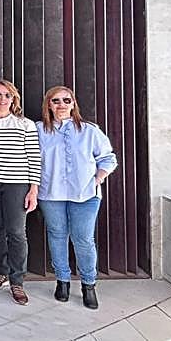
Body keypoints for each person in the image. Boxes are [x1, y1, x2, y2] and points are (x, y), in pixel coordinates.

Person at [37, 86, 118, 310]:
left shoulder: (90, 131)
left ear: (73, 104)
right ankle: (62, 281)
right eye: (55, 101)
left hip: (85, 195)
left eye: (66, 100)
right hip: (51, 194)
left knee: (83, 239)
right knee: (57, 235)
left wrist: (98, 178)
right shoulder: (39, 130)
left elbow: (108, 158)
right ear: (48, 105)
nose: (61, 105)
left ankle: (88, 285)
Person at [0, 80, 41, 305]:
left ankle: (17, 280)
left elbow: (34, 157)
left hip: (17, 184)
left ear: (13, 99)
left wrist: (33, 189)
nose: (2, 99)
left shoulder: (25, 124)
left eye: (7, 95)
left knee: (16, 232)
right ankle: (0, 271)